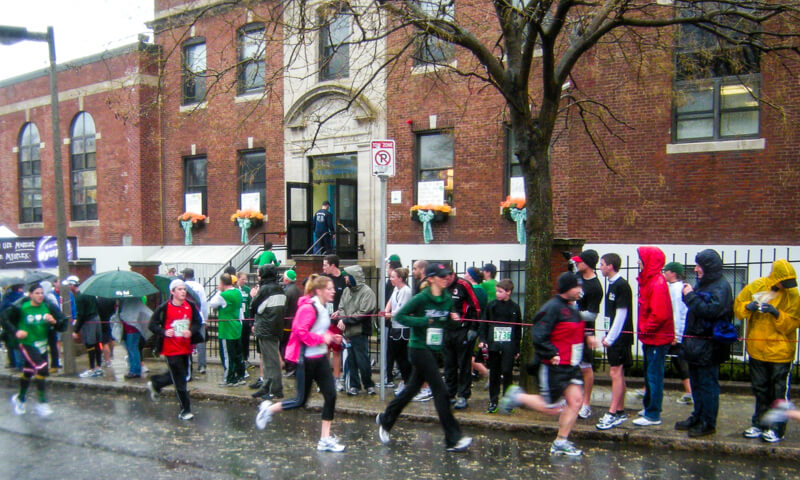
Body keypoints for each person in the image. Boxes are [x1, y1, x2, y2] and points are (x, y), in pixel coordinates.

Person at [375, 262, 473, 452]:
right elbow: (400, 316)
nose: (446, 278)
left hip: (433, 349)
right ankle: (453, 438)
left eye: (447, 275)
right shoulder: (421, 298)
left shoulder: (446, 299)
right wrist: (422, 321)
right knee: (440, 391)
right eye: (441, 275)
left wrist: (454, 321)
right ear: (431, 279)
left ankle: (386, 419)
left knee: (411, 390)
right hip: (418, 349)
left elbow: (446, 325)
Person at [500, 272, 598, 456]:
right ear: (566, 288)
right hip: (553, 367)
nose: (580, 290)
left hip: (571, 366)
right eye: (576, 287)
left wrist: (588, 337)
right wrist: (551, 353)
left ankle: (561, 441)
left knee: (575, 401)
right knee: (551, 407)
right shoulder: (552, 308)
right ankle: (518, 396)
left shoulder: (572, 309)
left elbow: (578, 328)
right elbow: (538, 334)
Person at [255, 274, 345, 453]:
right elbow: (300, 333)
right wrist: (322, 338)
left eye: (333, 288)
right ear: (319, 291)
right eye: (329, 288)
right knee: (300, 401)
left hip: (320, 359)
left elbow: (318, 329)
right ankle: (268, 409)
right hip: (307, 360)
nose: (333, 291)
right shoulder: (309, 308)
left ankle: (325, 439)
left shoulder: (322, 306)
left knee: (331, 395)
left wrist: (331, 337)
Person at [734, 259, 800, 443]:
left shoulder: (792, 295)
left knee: (778, 392)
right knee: (760, 389)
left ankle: (777, 429)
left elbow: (794, 322)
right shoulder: (758, 286)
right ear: (776, 278)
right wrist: (748, 307)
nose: (785, 286)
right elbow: (739, 306)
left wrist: (776, 313)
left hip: (780, 352)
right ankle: (759, 424)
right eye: (783, 281)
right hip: (758, 348)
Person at [676, 249, 733, 437]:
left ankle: (708, 422)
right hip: (696, 343)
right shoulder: (705, 284)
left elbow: (711, 311)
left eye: (699, 265)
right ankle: (697, 415)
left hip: (709, 345)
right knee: (697, 382)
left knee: (708, 385)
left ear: (708, 267)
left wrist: (690, 296)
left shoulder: (721, 287)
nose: (695, 269)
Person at [3, 283, 68, 417]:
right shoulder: (22, 307)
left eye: (41, 293)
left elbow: (62, 323)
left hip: (42, 345)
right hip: (27, 344)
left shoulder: (47, 306)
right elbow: (4, 319)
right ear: (30, 294)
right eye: (37, 293)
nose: (40, 296)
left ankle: (20, 399)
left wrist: (54, 322)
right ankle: (42, 403)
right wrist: (16, 332)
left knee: (28, 372)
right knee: (42, 368)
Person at [146, 279, 203, 420]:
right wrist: (164, 331)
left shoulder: (190, 305)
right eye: (179, 289)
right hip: (170, 349)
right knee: (180, 381)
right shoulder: (164, 308)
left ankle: (156, 383)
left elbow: (198, 322)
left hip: (185, 348)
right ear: (172, 292)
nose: (183, 292)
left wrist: (191, 331)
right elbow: (152, 325)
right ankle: (185, 410)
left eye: (184, 289)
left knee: (181, 376)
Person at [633, 246, 674, 427]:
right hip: (651, 337)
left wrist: (645, 329)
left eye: (641, 259)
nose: (638, 262)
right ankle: (649, 407)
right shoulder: (651, 281)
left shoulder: (656, 283)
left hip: (656, 338)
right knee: (650, 375)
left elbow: (659, 314)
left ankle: (653, 414)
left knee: (654, 376)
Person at [595, 253, 634, 430]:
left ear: (610, 266)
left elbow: (621, 314)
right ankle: (619, 411)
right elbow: (610, 315)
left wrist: (611, 337)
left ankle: (612, 412)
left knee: (615, 373)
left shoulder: (621, 286)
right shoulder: (612, 285)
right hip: (613, 335)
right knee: (617, 373)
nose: (600, 267)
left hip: (619, 338)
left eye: (602, 264)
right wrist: (606, 332)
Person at [479, 279, 522, 413]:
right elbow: (484, 324)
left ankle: (507, 401)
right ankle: (493, 401)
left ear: (508, 292)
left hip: (508, 345)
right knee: (494, 373)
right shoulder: (491, 306)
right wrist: (483, 339)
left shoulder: (515, 308)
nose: (497, 294)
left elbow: (518, 328)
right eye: (497, 291)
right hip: (494, 344)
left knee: (508, 371)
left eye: (500, 291)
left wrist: (516, 348)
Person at [443, 268, 481, 409]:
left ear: (452, 275)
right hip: (447, 330)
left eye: (447, 278)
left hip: (463, 329)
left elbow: (476, 307)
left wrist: (473, 328)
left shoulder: (463, 285)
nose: (445, 281)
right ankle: (450, 393)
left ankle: (463, 395)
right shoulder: (441, 286)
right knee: (449, 364)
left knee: (464, 364)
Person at [336, 265, 377, 395]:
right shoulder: (346, 291)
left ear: (354, 277)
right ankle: (354, 385)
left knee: (362, 359)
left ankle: (368, 384)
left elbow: (364, 312)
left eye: (347, 276)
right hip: (348, 331)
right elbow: (341, 307)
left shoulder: (367, 292)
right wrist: (341, 319)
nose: (345, 278)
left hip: (360, 332)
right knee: (351, 360)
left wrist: (345, 320)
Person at [571, 249, 602, 420]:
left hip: (585, 330)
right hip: (571, 330)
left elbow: (592, 314)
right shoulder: (577, 277)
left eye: (579, 261)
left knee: (585, 366)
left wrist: (570, 313)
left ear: (588, 264)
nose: (576, 264)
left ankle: (586, 404)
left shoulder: (595, 287)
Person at [250, 264, 287, 399]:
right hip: (276, 328)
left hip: (265, 328)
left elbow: (255, 308)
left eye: (260, 273)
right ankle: (266, 386)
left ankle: (275, 389)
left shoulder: (265, 289)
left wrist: (253, 295)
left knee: (271, 361)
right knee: (267, 360)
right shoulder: (280, 289)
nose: (258, 276)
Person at [208, 273, 245, 386]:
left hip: (226, 329)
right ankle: (240, 376)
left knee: (227, 355)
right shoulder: (238, 292)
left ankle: (229, 379)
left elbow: (212, 303)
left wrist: (219, 290)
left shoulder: (223, 295)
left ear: (222, 283)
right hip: (236, 326)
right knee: (237, 354)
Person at [663, 262, 693, 405]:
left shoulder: (675, 289)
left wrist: (674, 334)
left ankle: (647, 389)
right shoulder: (677, 287)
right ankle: (689, 391)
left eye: (666, 271)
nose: (664, 274)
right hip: (679, 330)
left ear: (673, 273)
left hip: (676, 332)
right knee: (677, 360)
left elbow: (674, 311)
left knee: (664, 358)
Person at [65, 276, 104, 378]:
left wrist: (76, 330)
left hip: (89, 322)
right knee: (97, 344)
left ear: (72, 285)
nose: (68, 287)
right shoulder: (88, 292)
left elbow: (81, 315)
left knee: (90, 345)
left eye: (69, 285)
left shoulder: (79, 296)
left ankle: (92, 369)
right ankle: (99, 367)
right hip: (97, 318)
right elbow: (97, 305)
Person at [383, 267, 412, 393]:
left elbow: (401, 310)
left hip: (403, 329)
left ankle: (407, 382)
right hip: (395, 327)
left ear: (400, 278)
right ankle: (405, 382)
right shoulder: (396, 289)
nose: (391, 279)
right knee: (397, 356)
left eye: (393, 277)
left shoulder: (406, 291)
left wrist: (389, 314)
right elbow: (390, 301)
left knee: (403, 358)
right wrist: (386, 310)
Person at [323, 255, 346, 390]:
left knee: (336, 351)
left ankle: (336, 378)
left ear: (333, 265)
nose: (323, 267)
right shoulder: (323, 279)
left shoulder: (343, 279)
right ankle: (325, 379)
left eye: (325, 265)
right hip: (325, 320)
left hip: (337, 321)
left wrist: (342, 314)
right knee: (325, 350)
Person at [181, 268, 209, 374]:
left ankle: (188, 365)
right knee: (201, 342)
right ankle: (202, 366)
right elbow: (203, 303)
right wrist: (205, 319)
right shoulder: (199, 286)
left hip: (186, 318)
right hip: (199, 317)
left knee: (185, 342)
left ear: (184, 275)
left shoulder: (182, 287)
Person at [119, 297, 153, 379]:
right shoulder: (132, 301)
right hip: (130, 329)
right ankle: (133, 369)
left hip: (132, 329)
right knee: (131, 349)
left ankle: (135, 370)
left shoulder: (131, 301)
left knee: (132, 349)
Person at [281, 269, 301, 376]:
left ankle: (289, 367)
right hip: (295, 322)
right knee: (293, 346)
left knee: (285, 345)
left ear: (286, 279)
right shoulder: (297, 290)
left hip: (286, 324)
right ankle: (294, 366)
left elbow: (284, 308)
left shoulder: (287, 291)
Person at [237, 272, 253, 367]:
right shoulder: (235, 290)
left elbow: (250, 304)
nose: (244, 281)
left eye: (245, 279)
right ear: (238, 279)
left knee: (245, 340)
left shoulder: (247, 290)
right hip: (238, 319)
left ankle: (246, 358)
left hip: (246, 319)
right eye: (243, 279)